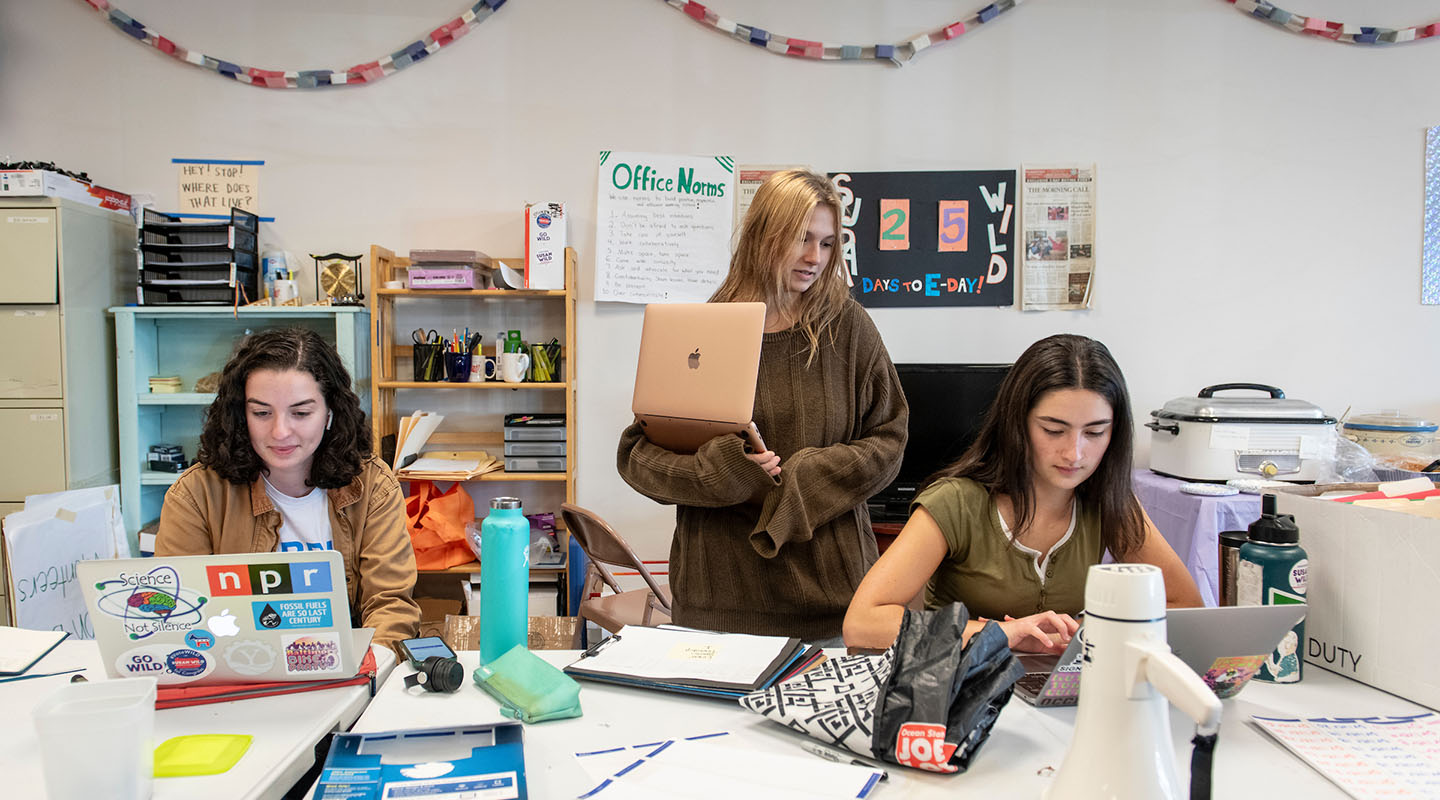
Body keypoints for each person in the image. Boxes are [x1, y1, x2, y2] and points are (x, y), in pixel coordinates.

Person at [617, 169, 909, 643]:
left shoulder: (847, 327)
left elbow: (890, 439)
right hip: (718, 608)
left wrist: (804, 480)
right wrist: (719, 473)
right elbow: (638, 458)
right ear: (763, 235)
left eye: (829, 243)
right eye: (801, 238)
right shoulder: (704, 327)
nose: (816, 258)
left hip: (830, 605)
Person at [843, 334, 1201, 652]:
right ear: (1017, 424)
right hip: (963, 690)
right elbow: (863, 624)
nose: (1075, 453)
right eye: (1053, 430)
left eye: (1094, 433)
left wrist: (1099, 633)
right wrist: (1003, 634)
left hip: (1059, 692)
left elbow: (1186, 606)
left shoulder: (1110, 502)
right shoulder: (954, 502)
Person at [156, 328, 420, 652]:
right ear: (242, 415)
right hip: (241, 671)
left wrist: (367, 673)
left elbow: (390, 606)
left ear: (329, 414)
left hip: (348, 674)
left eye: (301, 413)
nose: (280, 431)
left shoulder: (373, 486)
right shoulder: (196, 494)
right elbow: (179, 614)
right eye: (262, 413)